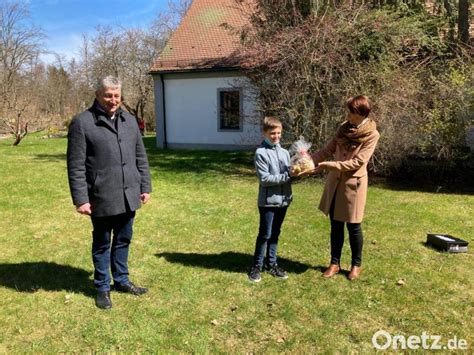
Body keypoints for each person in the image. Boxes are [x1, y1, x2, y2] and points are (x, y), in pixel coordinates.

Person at [67, 76, 152, 309]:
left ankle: (122, 280)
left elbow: (140, 157)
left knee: (124, 239)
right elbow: (75, 165)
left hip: (129, 193)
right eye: (108, 95)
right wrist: (81, 199)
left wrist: (145, 186)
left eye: (116, 95)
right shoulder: (82, 123)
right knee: (103, 243)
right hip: (101, 196)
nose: (113, 100)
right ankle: (103, 287)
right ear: (97, 95)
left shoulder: (130, 121)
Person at [311, 96, 380, 281]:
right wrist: (308, 160)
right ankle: (334, 263)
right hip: (336, 182)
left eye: (351, 112)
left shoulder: (372, 134)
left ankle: (356, 265)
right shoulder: (343, 128)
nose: (347, 115)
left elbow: (358, 162)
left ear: (360, 113)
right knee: (335, 225)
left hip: (354, 185)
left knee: (354, 226)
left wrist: (331, 165)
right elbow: (327, 149)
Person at [248, 116, 294, 282]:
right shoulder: (261, 153)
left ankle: (272, 264)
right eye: (272, 133)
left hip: (283, 200)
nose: (276, 136)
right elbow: (265, 179)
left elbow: (290, 175)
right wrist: (287, 175)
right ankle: (256, 266)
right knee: (265, 234)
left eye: (279, 133)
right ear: (265, 133)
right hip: (268, 201)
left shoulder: (285, 153)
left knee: (275, 234)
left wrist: (299, 170)